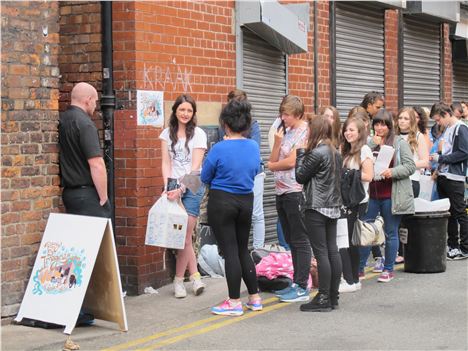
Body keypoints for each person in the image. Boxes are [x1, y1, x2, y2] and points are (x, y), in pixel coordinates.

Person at [201, 99, 262, 316]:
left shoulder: (219, 148)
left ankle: (234, 301)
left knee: (230, 251)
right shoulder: (253, 146)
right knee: (242, 248)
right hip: (246, 200)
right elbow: (256, 170)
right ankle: (254, 297)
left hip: (222, 201)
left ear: (226, 124)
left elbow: (205, 176)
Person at [359, 109, 416, 283]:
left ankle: (388, 269)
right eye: (377, 123)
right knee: (365, 230)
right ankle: (359, 268)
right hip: (372, 194)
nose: (380, 127)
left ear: (390, 126)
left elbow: (410, 166)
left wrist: (393, 171)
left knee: (391, 232)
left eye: (383, 124)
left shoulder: (399, 143)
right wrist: (370, 144)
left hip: (391, 195)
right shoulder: (368, 143)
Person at [159, 94, 207, 298]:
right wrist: (168, 187)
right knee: (182, 237)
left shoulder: (198, 134)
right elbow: (166, 163)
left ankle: (179, 281)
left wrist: (181, 188)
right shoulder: (165, 134)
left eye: (189, 110)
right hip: (173, 186)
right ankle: (195, 277)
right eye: (182, 110)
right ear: (175, 111)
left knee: (185, 235)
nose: (185, 114)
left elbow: (195, 167)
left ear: (193, 113)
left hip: (193, 184)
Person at [295, 115, 343, 312]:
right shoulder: (335, 152)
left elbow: (300, 176)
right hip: (332, 206)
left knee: (321, 252)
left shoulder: (316, 153)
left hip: (316, 207)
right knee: (333, 250)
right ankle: (333, 296)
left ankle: (323, 297)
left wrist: (300, 153)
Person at [267, 95, 312, 303]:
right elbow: (274, 158)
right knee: (291, 239)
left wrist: (273, 166)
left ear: (298, 114)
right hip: (280, 191)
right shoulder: (284, 130)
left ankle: (303, 285)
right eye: (282, 113)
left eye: (287, 115)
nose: (283, 118)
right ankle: (296, 282)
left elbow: (292, 162)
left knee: (300, 239)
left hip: (296, 191)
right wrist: (277, 142)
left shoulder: (305, 131)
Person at [218, 89, 265, 249]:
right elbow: (220, 147)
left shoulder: (253, 124)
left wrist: (233, 142)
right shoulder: (223, 124)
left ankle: (258, 250)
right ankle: (237, 249)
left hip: (254, 173)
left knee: (257, 214)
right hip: (231, 173)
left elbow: (255, 151)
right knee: (236, 214)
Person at [59, 82, 111, 219]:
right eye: (95, 101)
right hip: (87, 194)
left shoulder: (62, 120)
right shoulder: (85, 124)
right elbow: (96, 164)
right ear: (88, 100)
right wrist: (104, 197)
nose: (95, 105)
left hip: (69, 194)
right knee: (97, 239)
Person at [338, 117, 374, 293]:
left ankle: (350, 280)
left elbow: (369, 175)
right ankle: (352, 279)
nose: (348, 133)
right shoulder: (345, 149)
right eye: (346, 129)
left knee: (347, 241)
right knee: (347, 241)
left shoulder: (364, 150)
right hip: (344, 200)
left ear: (360, 132)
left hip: (357, 201)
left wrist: (348, 174)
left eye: (352, 130)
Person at [429, 102, 468, 260]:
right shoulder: (448, 129)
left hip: (455, 177)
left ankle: (465, 248)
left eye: (438, 120)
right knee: (449, 213)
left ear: (446, 114)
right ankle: (453, 246)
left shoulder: (461, 128)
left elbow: (464, 153)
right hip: (444, 176)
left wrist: (441, 158)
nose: (438, 123)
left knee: (459, 213)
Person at [395, 107, 430, 198]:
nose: (402, 121)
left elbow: (425, 162)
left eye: (406, 119)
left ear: (412, 121)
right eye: (400, 118)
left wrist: (405, 165)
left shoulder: (418, 136)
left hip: (411, 180)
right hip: (394, 180)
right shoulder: (394, 135)